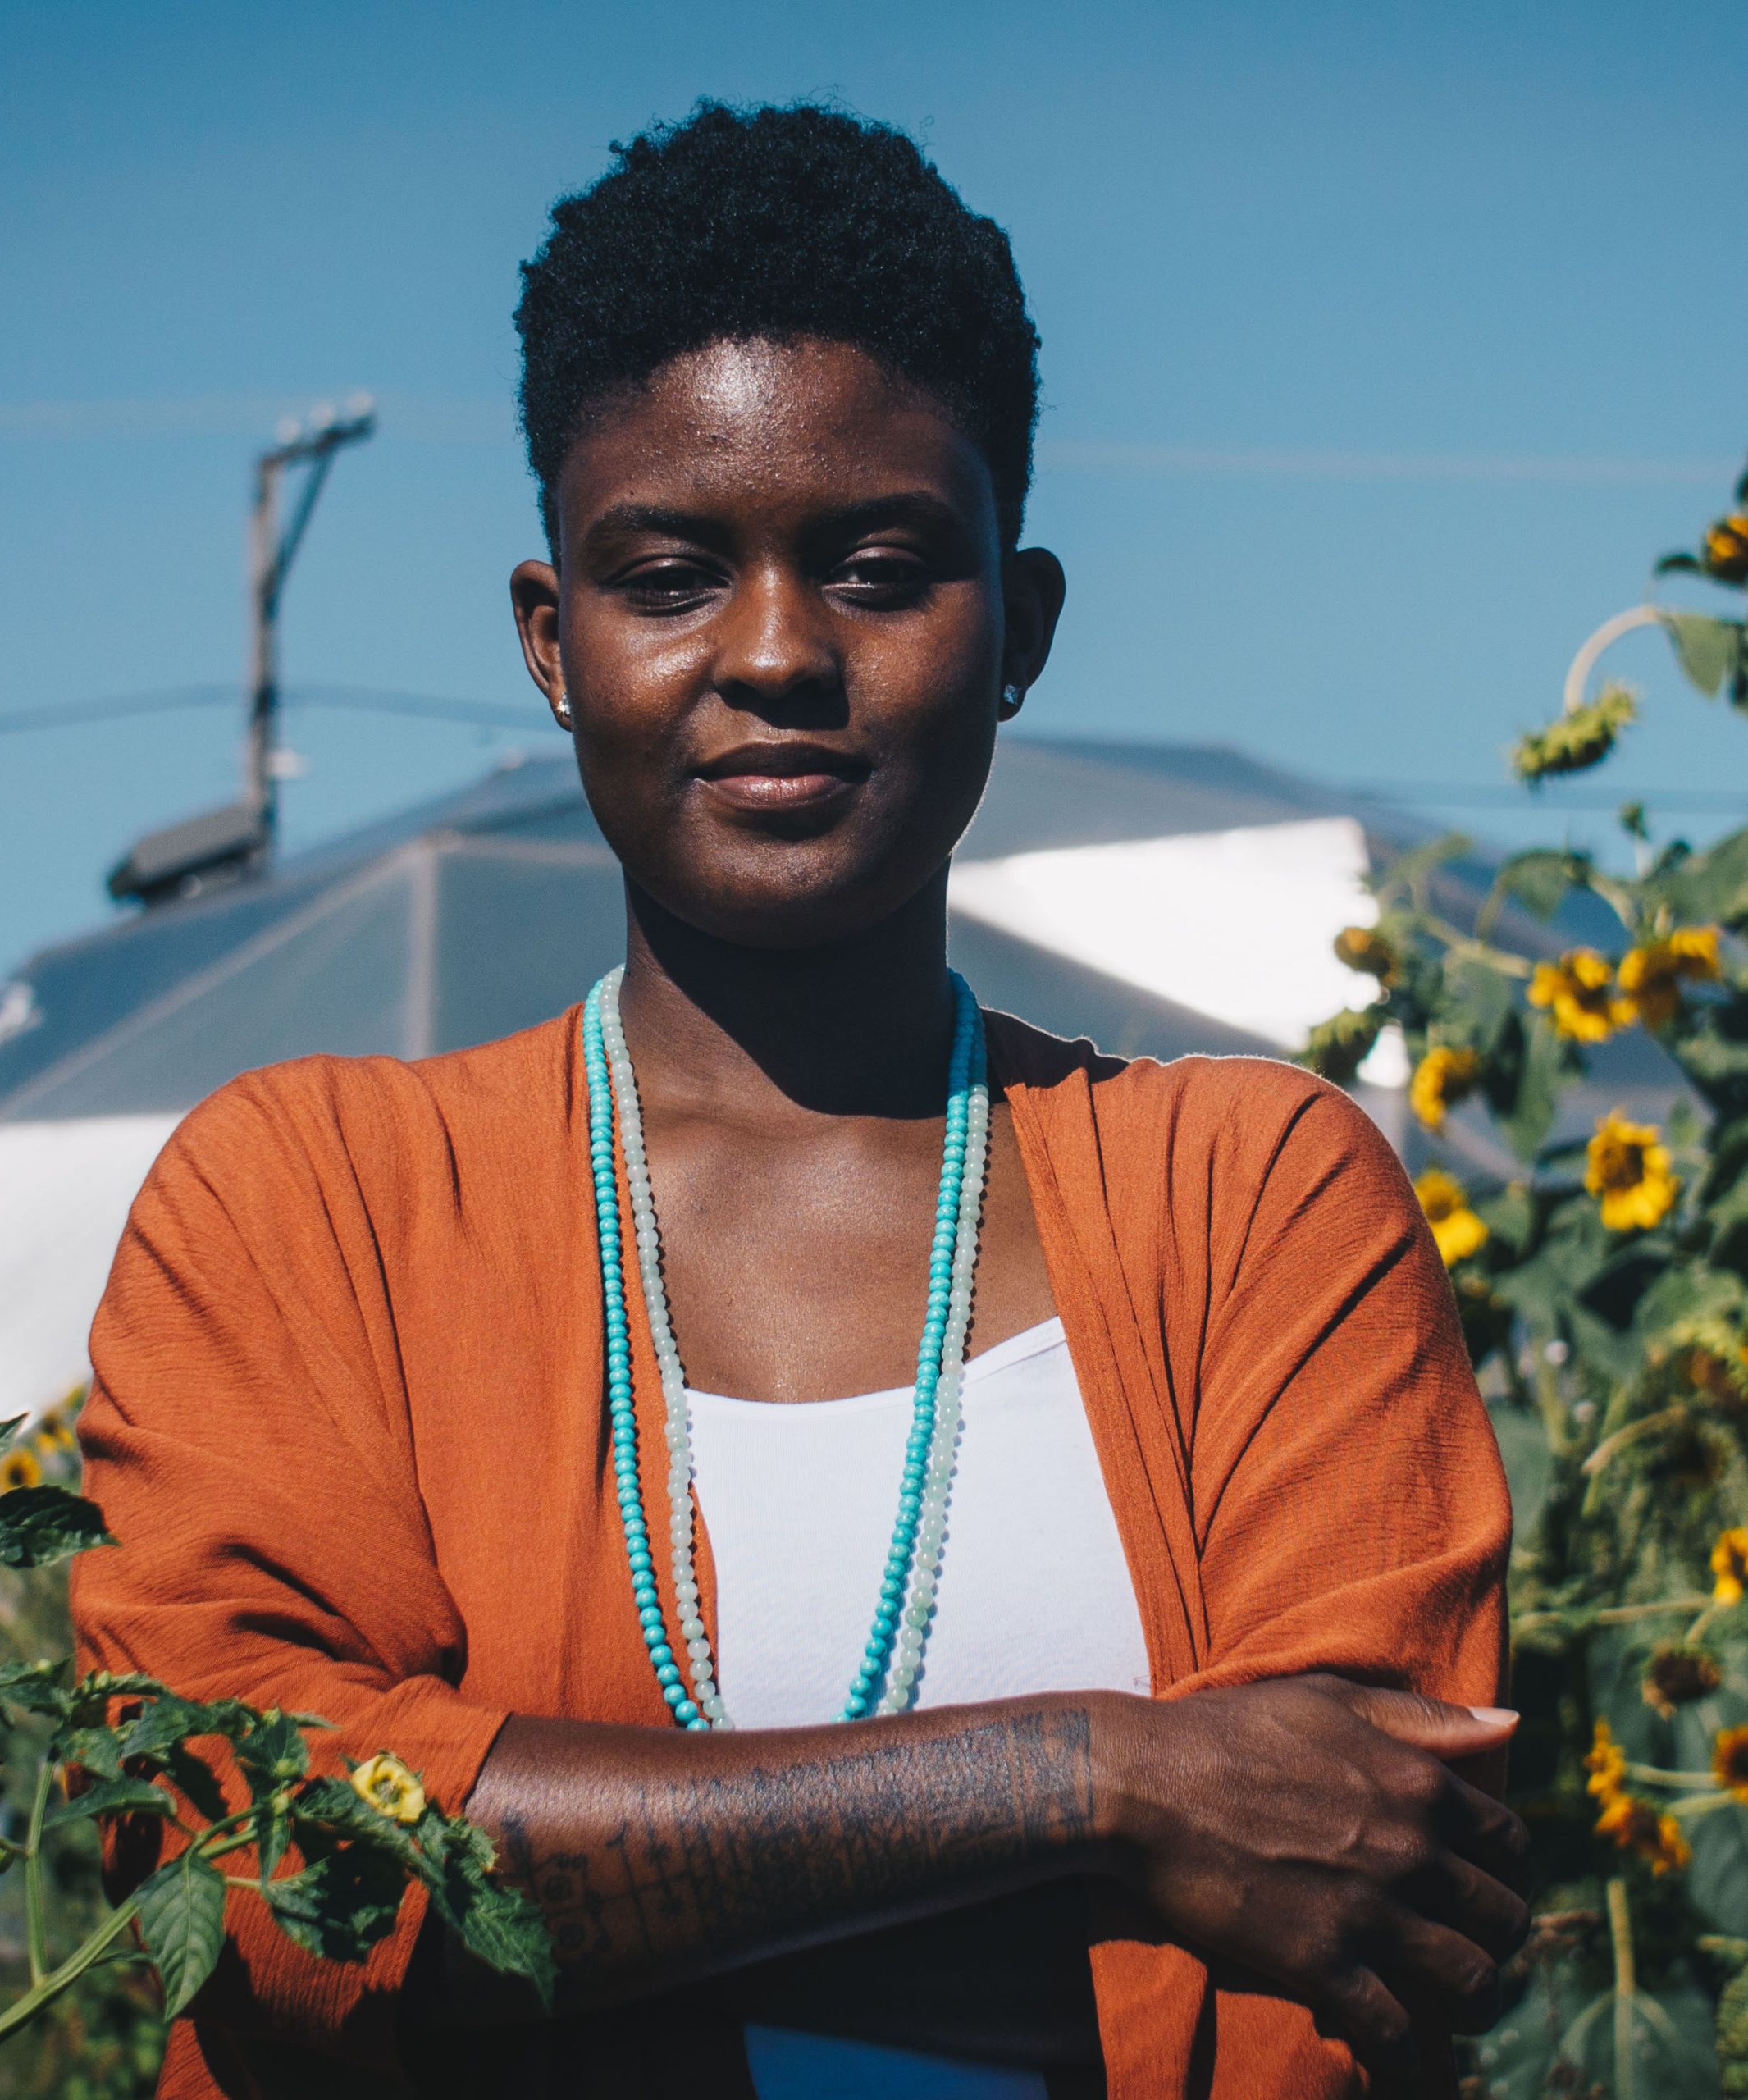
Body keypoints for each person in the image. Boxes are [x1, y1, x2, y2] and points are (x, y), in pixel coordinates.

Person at [73, 101, 1525, 2100]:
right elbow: (266, 1880)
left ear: (1018, 624)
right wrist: (1096, 1790)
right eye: (667, 573)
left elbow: (1359, 1902)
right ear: (551, 641)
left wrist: (536, 1893)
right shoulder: (311, 1205)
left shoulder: (1252, 1201)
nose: (774, 653)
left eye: (878, 566)